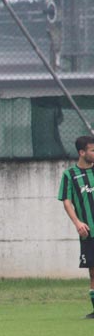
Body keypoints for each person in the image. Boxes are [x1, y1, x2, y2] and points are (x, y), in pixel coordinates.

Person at [58, 135, 94, 319]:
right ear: (82, 152)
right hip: (88, 231)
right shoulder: (70, 175)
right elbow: (66, 201)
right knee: (93, 271)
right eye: (93, 150)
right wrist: (77, 222)